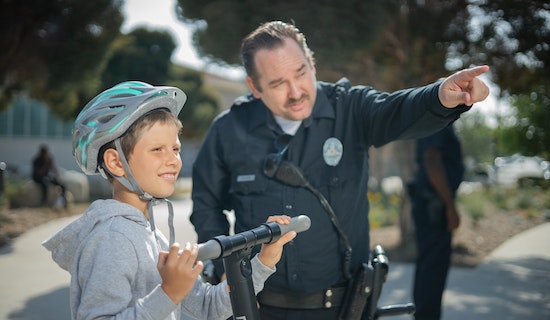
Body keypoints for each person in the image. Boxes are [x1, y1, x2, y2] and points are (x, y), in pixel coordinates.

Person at [189, 20, 490, 319]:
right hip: (259, 309)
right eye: (278, 83)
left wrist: (439, 96)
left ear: (312, 64)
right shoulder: (228, 130)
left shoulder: (351, 108)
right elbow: (206, 206)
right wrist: (226, 274)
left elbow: (398, 110)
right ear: (254, 87)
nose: (295, 92)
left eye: (300, 73)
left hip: (344, 309)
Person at [42, 81, 296, 320]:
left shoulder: (150, 235)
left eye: (175, 149)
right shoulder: (111, 238)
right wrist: (169, 293)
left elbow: (209, 306)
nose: (174, 159)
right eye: (157, 150)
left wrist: (263, 262)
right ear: (116, 162)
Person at [408, 123, 464, 320]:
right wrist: (450, 205)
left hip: (430, 204)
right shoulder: (438, 119)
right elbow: (432, 159)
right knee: (432, 269)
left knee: (429, 267)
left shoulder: (434, 119)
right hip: (434, 207)